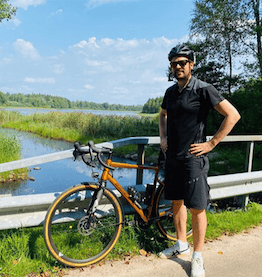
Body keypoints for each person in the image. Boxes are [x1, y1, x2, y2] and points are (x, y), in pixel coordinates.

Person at [158, 44, 241, 277]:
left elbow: (232, 115)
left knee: (197, 207)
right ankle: (181, 243)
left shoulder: (204, 89)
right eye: (174, 64)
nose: (177, 67)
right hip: (173, 156)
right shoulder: (170, 92)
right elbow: (162, 115)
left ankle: (197, 257)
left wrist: (211, 144)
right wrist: (162, 137)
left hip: (194, 158)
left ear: (191, 65)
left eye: (182, 63)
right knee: (176, 202)